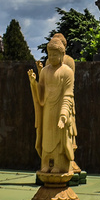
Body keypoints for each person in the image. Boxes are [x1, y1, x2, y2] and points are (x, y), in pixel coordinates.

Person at [28, 38, 76, 174]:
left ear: (62, 55)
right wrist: (34, 83)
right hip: (47, 111)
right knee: (46, 138)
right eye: (50, 55)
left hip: (60, 111)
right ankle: (46, 163)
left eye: (55, 54)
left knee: (59, 141)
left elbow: (68, 95)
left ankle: (59, 165)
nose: (52, 57)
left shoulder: (67, 72)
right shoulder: (45, 71)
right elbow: (41, 93)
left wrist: (63, 116)